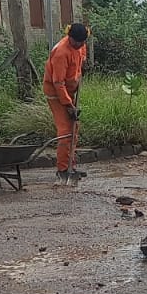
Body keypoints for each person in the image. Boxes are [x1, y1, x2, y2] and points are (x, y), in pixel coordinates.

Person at [44, 23, 90, 184]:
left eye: (82, 43)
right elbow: (58, 83)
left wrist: (83, 65)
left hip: (70, 91)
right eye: (76, 43)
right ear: (69, 36)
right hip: (56, 94)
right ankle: (63, 170)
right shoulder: (61, 53)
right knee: (65, 132)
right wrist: (69, 105)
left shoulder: (81, 45)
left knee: (74, 128)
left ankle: (71, 165)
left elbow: (81, 59)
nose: (79, 46)